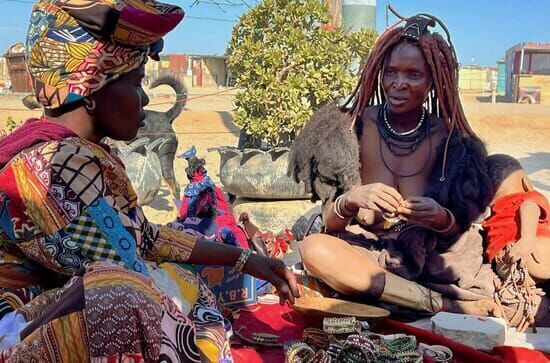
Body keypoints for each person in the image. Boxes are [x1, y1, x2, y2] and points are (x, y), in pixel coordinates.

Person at [0, 1, 298, 362]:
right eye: (137, 82)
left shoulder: (80, 154)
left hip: (58, 315)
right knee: (127, 294)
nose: (144, 99)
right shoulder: (49, 167)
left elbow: (145, 237)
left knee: (173, 277)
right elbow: (130, 269)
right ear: (93, 88)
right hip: (16, 335)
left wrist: (244, 258)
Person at [290, 13, 500, 316]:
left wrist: (440, 218)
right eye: (390, 73)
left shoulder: (450, 139)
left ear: (433, 82)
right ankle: (443, 305)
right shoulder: (351, 128)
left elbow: (459, 225)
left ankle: (398, 295)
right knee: (314, 249)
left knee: (461, 257)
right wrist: (351, 200)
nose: (398, 84)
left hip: (430, 258)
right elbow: (330, 222)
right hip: (367, 253)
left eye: (413, 75)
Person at [483, 154, 548, 331]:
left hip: (508, 262)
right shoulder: (529, 195)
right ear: (526, 181)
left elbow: (529, 208)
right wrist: (527, 240)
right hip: (532, 254)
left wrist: (525, 240)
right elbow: (529, 206)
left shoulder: (497, 212)